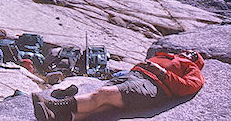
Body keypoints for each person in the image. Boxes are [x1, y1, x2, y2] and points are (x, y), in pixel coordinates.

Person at [32, 50, 205, 121]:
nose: (187, 53)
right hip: (134, 75)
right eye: (189, 51)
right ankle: (59, 118)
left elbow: (188, 86)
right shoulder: (169, 55)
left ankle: (54, 106)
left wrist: (162, 72)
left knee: (105, 95)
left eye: (193, 55)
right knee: (103, 102)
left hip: (152, 85)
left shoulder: (191, 68)